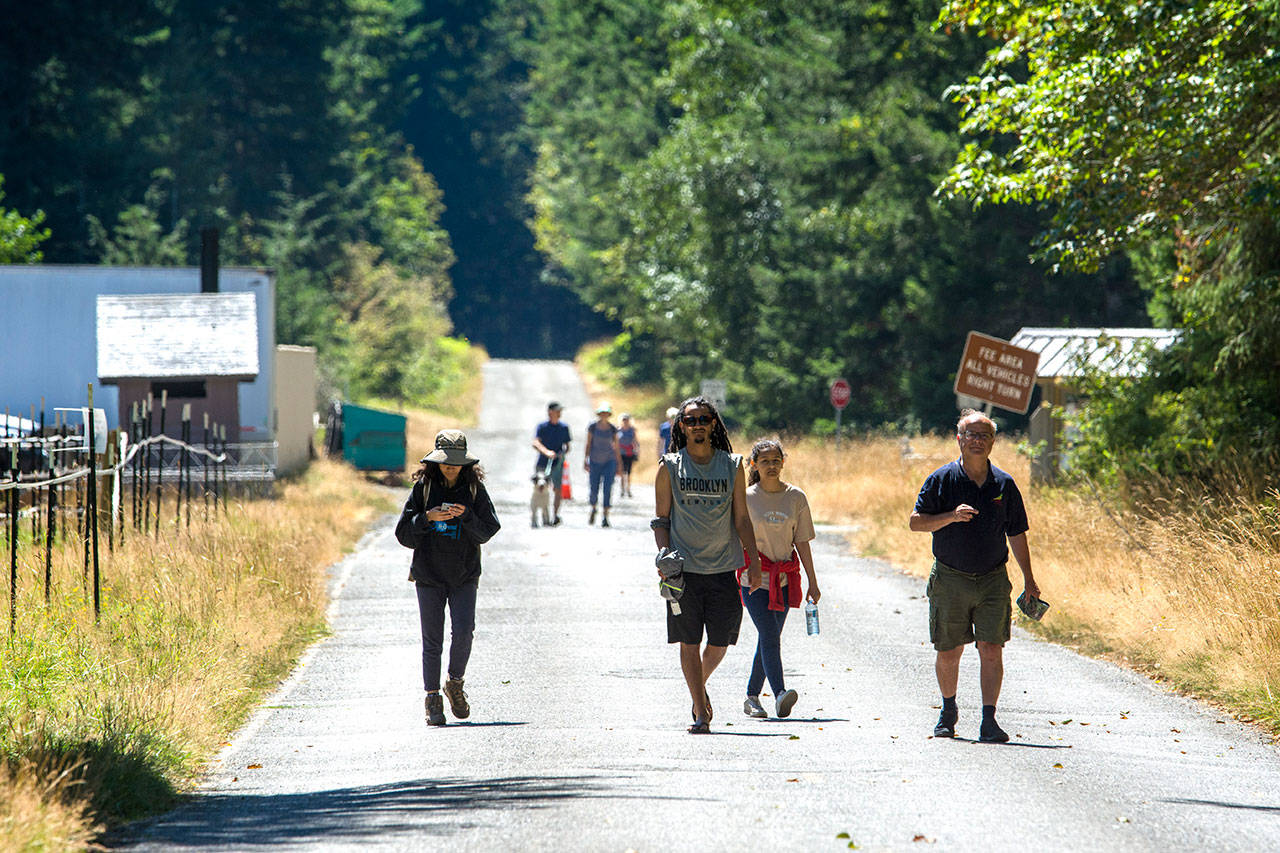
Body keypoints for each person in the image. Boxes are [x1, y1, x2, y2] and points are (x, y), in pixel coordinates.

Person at [909, 409, 1040, 743]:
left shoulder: (1004, 485)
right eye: (971, 434)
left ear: (993, 442)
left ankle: (989, 720)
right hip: (950, 577)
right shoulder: (942, 480)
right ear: (959, 439)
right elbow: (916, 522)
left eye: (985, 435)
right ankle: (948, 710)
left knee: (991, 649)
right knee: (949, 652)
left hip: (993, 578)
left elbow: (1017, 533)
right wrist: (951, 516)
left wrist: (1029, 578)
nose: (978, 441)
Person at [653, 396, 762, 734]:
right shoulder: (669, 465)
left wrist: (753, 561)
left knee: (720, 642)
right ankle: (701, 712)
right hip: (683, 572)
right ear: (681, 427)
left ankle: (697, 688)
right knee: (688, 641)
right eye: (690, 420)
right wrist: (664, 556)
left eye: (703, 419)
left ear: (714, 424)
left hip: (723, 569)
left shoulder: (732, 465)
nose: (697, 424)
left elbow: (742, 518)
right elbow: (661, 520)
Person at [395, 429, 502, 726]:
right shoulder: (424, 488)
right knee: (432, 640)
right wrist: (427, 518)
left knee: (464, 632)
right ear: (436, 461)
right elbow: (403, 534)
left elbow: (489, 530)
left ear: (466, 463)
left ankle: (455, 683)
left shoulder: (474, 490)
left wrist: (465, 516)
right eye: (446, 462)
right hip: (428, 575)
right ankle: (432, 697)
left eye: (456, 462)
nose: (451, 467)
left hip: (465, 574)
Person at [739, 438, 820, 720]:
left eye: (776, 460)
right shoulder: (746, 497)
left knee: (768, 638)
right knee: (770, 637)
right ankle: (779, 694)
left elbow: (802, 542)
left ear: (783, 462)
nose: (771, 466)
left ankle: (751, 697)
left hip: (785, 580)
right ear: (754, 465)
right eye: (765, 461)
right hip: (753, 580)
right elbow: (735, 538)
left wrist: (813, 580)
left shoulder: (796, 497)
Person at [532, 401, 571, 526]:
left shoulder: (564, 428)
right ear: (550, 412)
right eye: (557, 411)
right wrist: (547, 452)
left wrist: (562, 453)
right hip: (543, 463)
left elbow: (567, 445)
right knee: (541, 488)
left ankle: (555, 515)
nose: (559, 413)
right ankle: (541, 514)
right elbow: (536, 443)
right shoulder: (542, 427)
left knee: (557, 489)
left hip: (557, 464)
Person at [583, 401, 622, 526]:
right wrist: (586, 459)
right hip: (595, 460)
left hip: (609, 461)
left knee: (607, 488)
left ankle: (605, 516)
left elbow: (616, 447)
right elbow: (588, 444)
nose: (604, 415)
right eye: (602, 413)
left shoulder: (612, 428)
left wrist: (619, 464)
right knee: (594, 487)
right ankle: (593, 507)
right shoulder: (592, 427)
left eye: (606, 413)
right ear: (599, 414)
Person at [618, 413, 639, 498]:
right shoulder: (618, 430)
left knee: (629, 473)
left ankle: (628, 489)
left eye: (626, 420)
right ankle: (622, 490)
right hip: (621, 453)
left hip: (630, 453)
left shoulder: (632, 430)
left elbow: (635, 441)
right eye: (624, 420)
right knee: (622, 473)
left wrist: (637, 451)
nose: (625, 421)